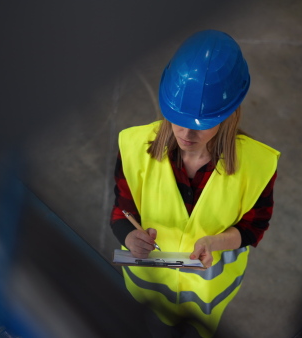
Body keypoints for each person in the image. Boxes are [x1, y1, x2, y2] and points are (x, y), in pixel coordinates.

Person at [110, 30, 279, 337]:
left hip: (204, 306)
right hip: (146, 296)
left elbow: (255, 226)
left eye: (202, 125)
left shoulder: (258, 167)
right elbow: (121, 211)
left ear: (229, 115)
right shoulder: (133, 148)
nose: (187, 134)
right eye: (179, 119)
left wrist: (217, 243)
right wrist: (128, 238)